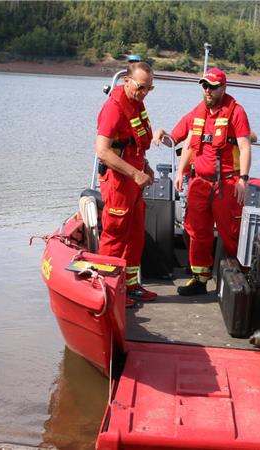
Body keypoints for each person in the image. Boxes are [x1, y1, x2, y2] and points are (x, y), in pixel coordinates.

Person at [154, 68, 252, 296]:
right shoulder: (197, 113)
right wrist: (160, 133)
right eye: (205, 86)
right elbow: (174, 139)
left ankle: (242, 281)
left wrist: (243, 180)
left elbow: (245, 147)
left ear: (223, 88)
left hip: (227, 184)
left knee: (232, 234)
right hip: (199, 183)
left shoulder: (237, 112)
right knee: (197, 233)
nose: (208, 90)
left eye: (213, 87)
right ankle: (199, 279)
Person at [95, 61, 158, 305]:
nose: (144, 93)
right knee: (115, 234)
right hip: (118, 182)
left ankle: (131, 286)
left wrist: (146, 166)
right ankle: (107, 291)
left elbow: (134, 144)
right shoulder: (114, 108)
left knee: (135, 234)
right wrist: (134, 173)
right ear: (127, 81)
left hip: (134, 180)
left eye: (149, 89)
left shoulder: (136, 104)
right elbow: (103, 151)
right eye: (141, 87)